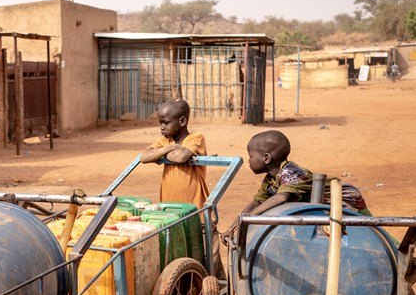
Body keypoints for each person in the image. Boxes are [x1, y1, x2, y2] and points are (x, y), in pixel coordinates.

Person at [226, 130, 370, 238]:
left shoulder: (291, 172)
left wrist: (249, 219)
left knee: (373, 231)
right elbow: (256, 202)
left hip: (346, 199)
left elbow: (281, 198)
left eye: (251, 156)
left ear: (266, 158)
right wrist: (233, 227)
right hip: (323, 206)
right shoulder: (271, 179)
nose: (248, 161)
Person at [140, 99, 209, 207]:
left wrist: (159, 153)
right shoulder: (165, 141)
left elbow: (180, 157)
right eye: (160, 123)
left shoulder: (195, 137)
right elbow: (144, 157)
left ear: (182, 121)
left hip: (193, 206)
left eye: (166, 123)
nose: (161, 127)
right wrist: (169, 148)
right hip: (169, 205)